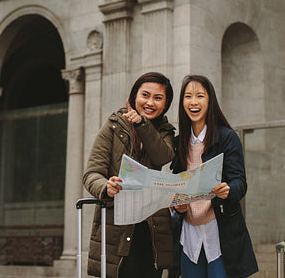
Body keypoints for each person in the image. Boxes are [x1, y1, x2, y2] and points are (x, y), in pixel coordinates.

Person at [83, 72, 176, 278]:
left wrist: (142, 124)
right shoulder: (114, 125)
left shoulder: (165, 131)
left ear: (166, 103)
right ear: (134, 96)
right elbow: (91, 173)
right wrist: (106, 186)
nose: (150, 102)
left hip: (153, 229)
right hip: (118, 226)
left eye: (158, 98)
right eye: (145, 95)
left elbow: (163, 156)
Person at [170, 74, 258, 278]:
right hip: (188, 236)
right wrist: (176, 204)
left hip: (220, 232)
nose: (193, 102)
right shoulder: (178, 143)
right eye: (188, 96)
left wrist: (228, 190)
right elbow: (175, 186)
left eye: (200, 96)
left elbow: (240, 182)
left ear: (210, 101)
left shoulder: (227, 137)